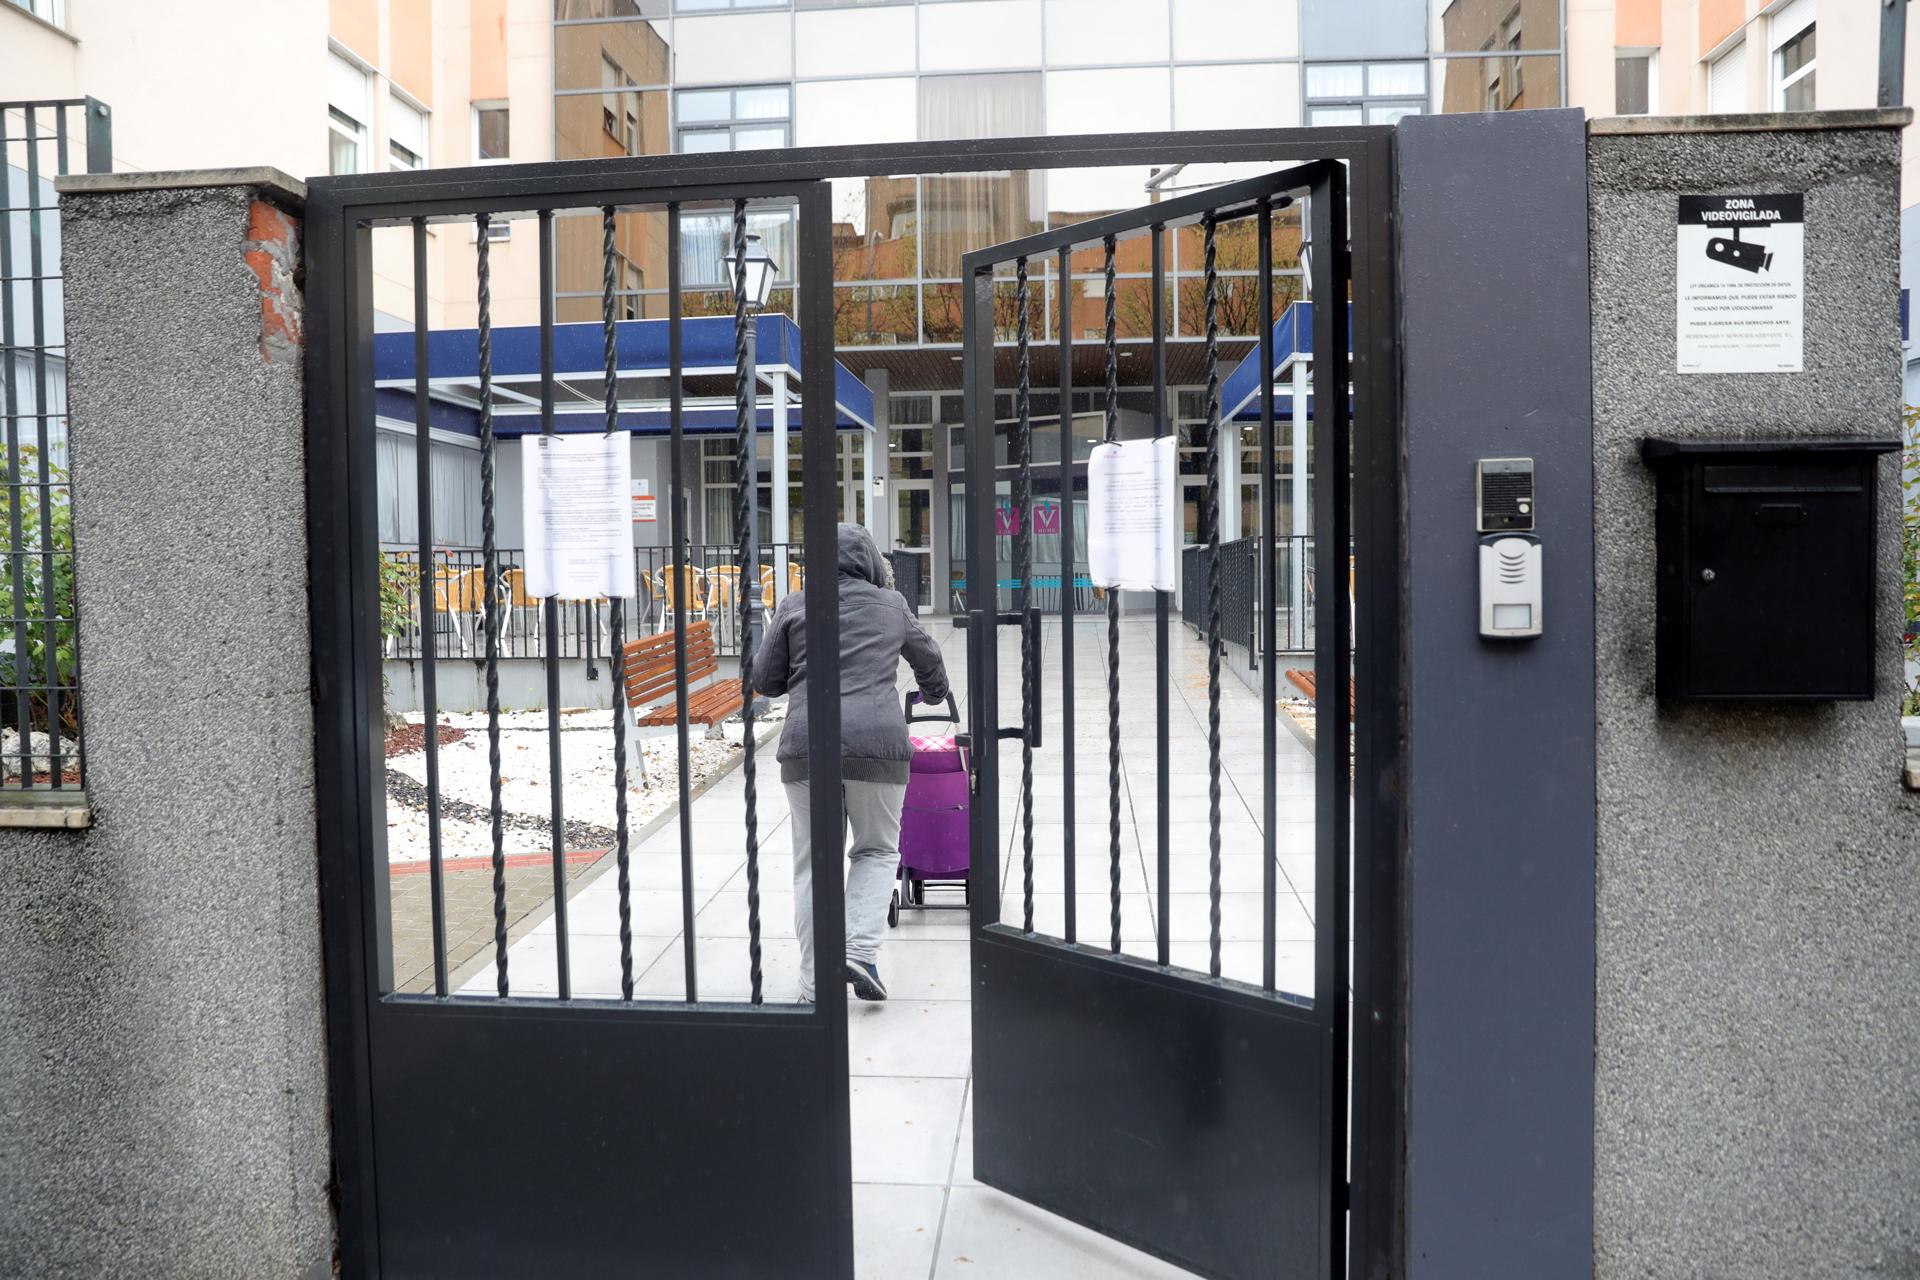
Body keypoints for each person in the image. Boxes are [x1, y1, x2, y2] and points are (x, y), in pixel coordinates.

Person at [751, 523, 949, 1004]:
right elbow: (931, 664)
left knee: (812, 866)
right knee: (877, 851)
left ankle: (815, 984)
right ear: (870, 562)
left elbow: (764, 679)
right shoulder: (891, 605)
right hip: (877, 747)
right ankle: (859, 951)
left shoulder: (795, 604)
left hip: (806, 749)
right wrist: (933, 693)